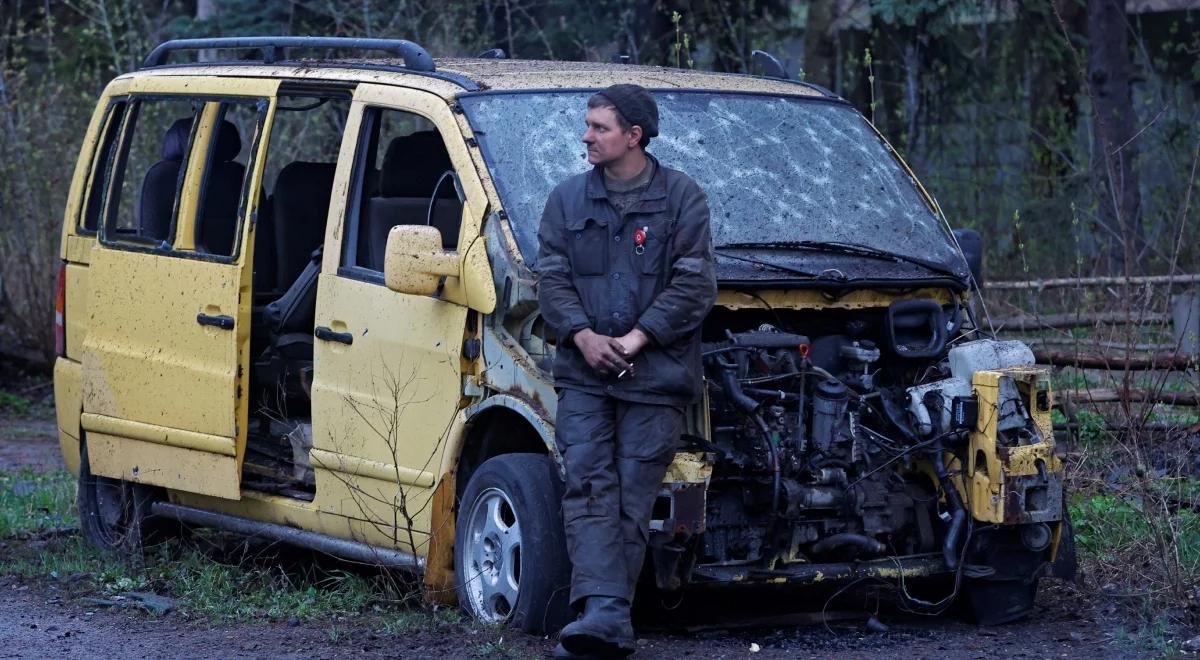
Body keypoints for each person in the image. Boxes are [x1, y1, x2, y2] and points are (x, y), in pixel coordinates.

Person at [536, 84, 717, 657]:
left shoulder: (683, 199)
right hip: (585, 372)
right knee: (587, 482)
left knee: (632, 491)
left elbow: (695, 284)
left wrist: (637, 339)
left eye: (598, 127)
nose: (586, 136)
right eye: (587, 126)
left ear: (633, 136)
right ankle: (605, 615)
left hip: (656, 376)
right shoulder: (566, 201)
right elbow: (552, 279)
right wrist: (583, 336)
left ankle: (605, 614)